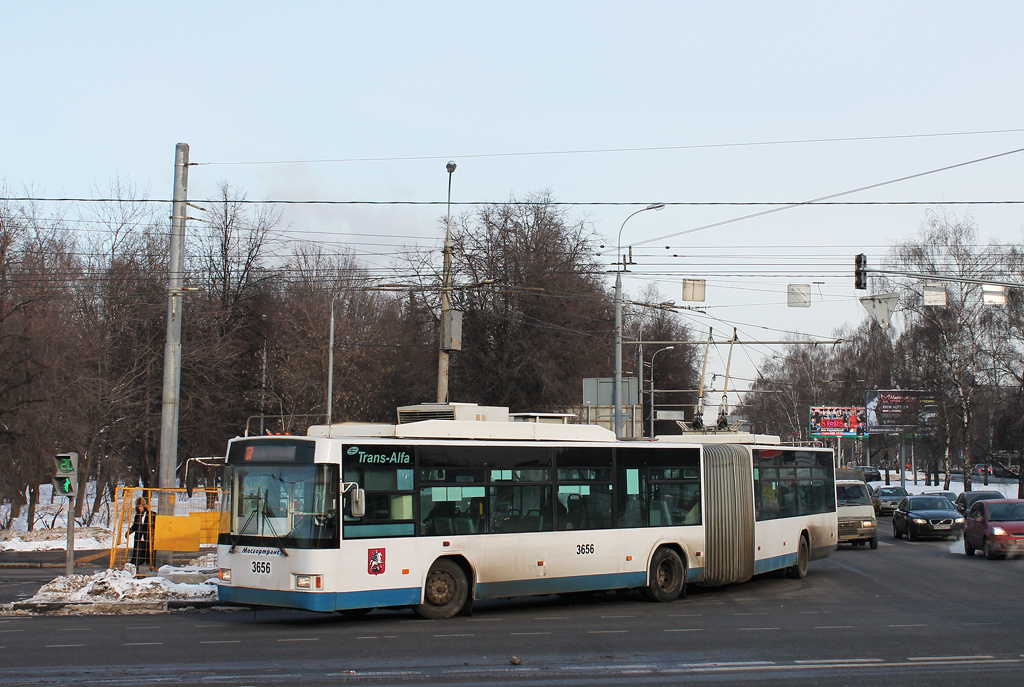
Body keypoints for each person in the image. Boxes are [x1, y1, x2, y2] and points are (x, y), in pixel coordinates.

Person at [127, 497, 152, 568]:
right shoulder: (138, 515)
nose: (139, 508)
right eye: (138, 507)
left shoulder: (149, 514)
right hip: (139, 536)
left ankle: (147, 563)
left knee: (146, 551)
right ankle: (135, 563)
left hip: (147, 536)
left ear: (144, 506)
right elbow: (135, 525)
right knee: (137, 551)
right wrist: (129, 532)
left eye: (140, 506)